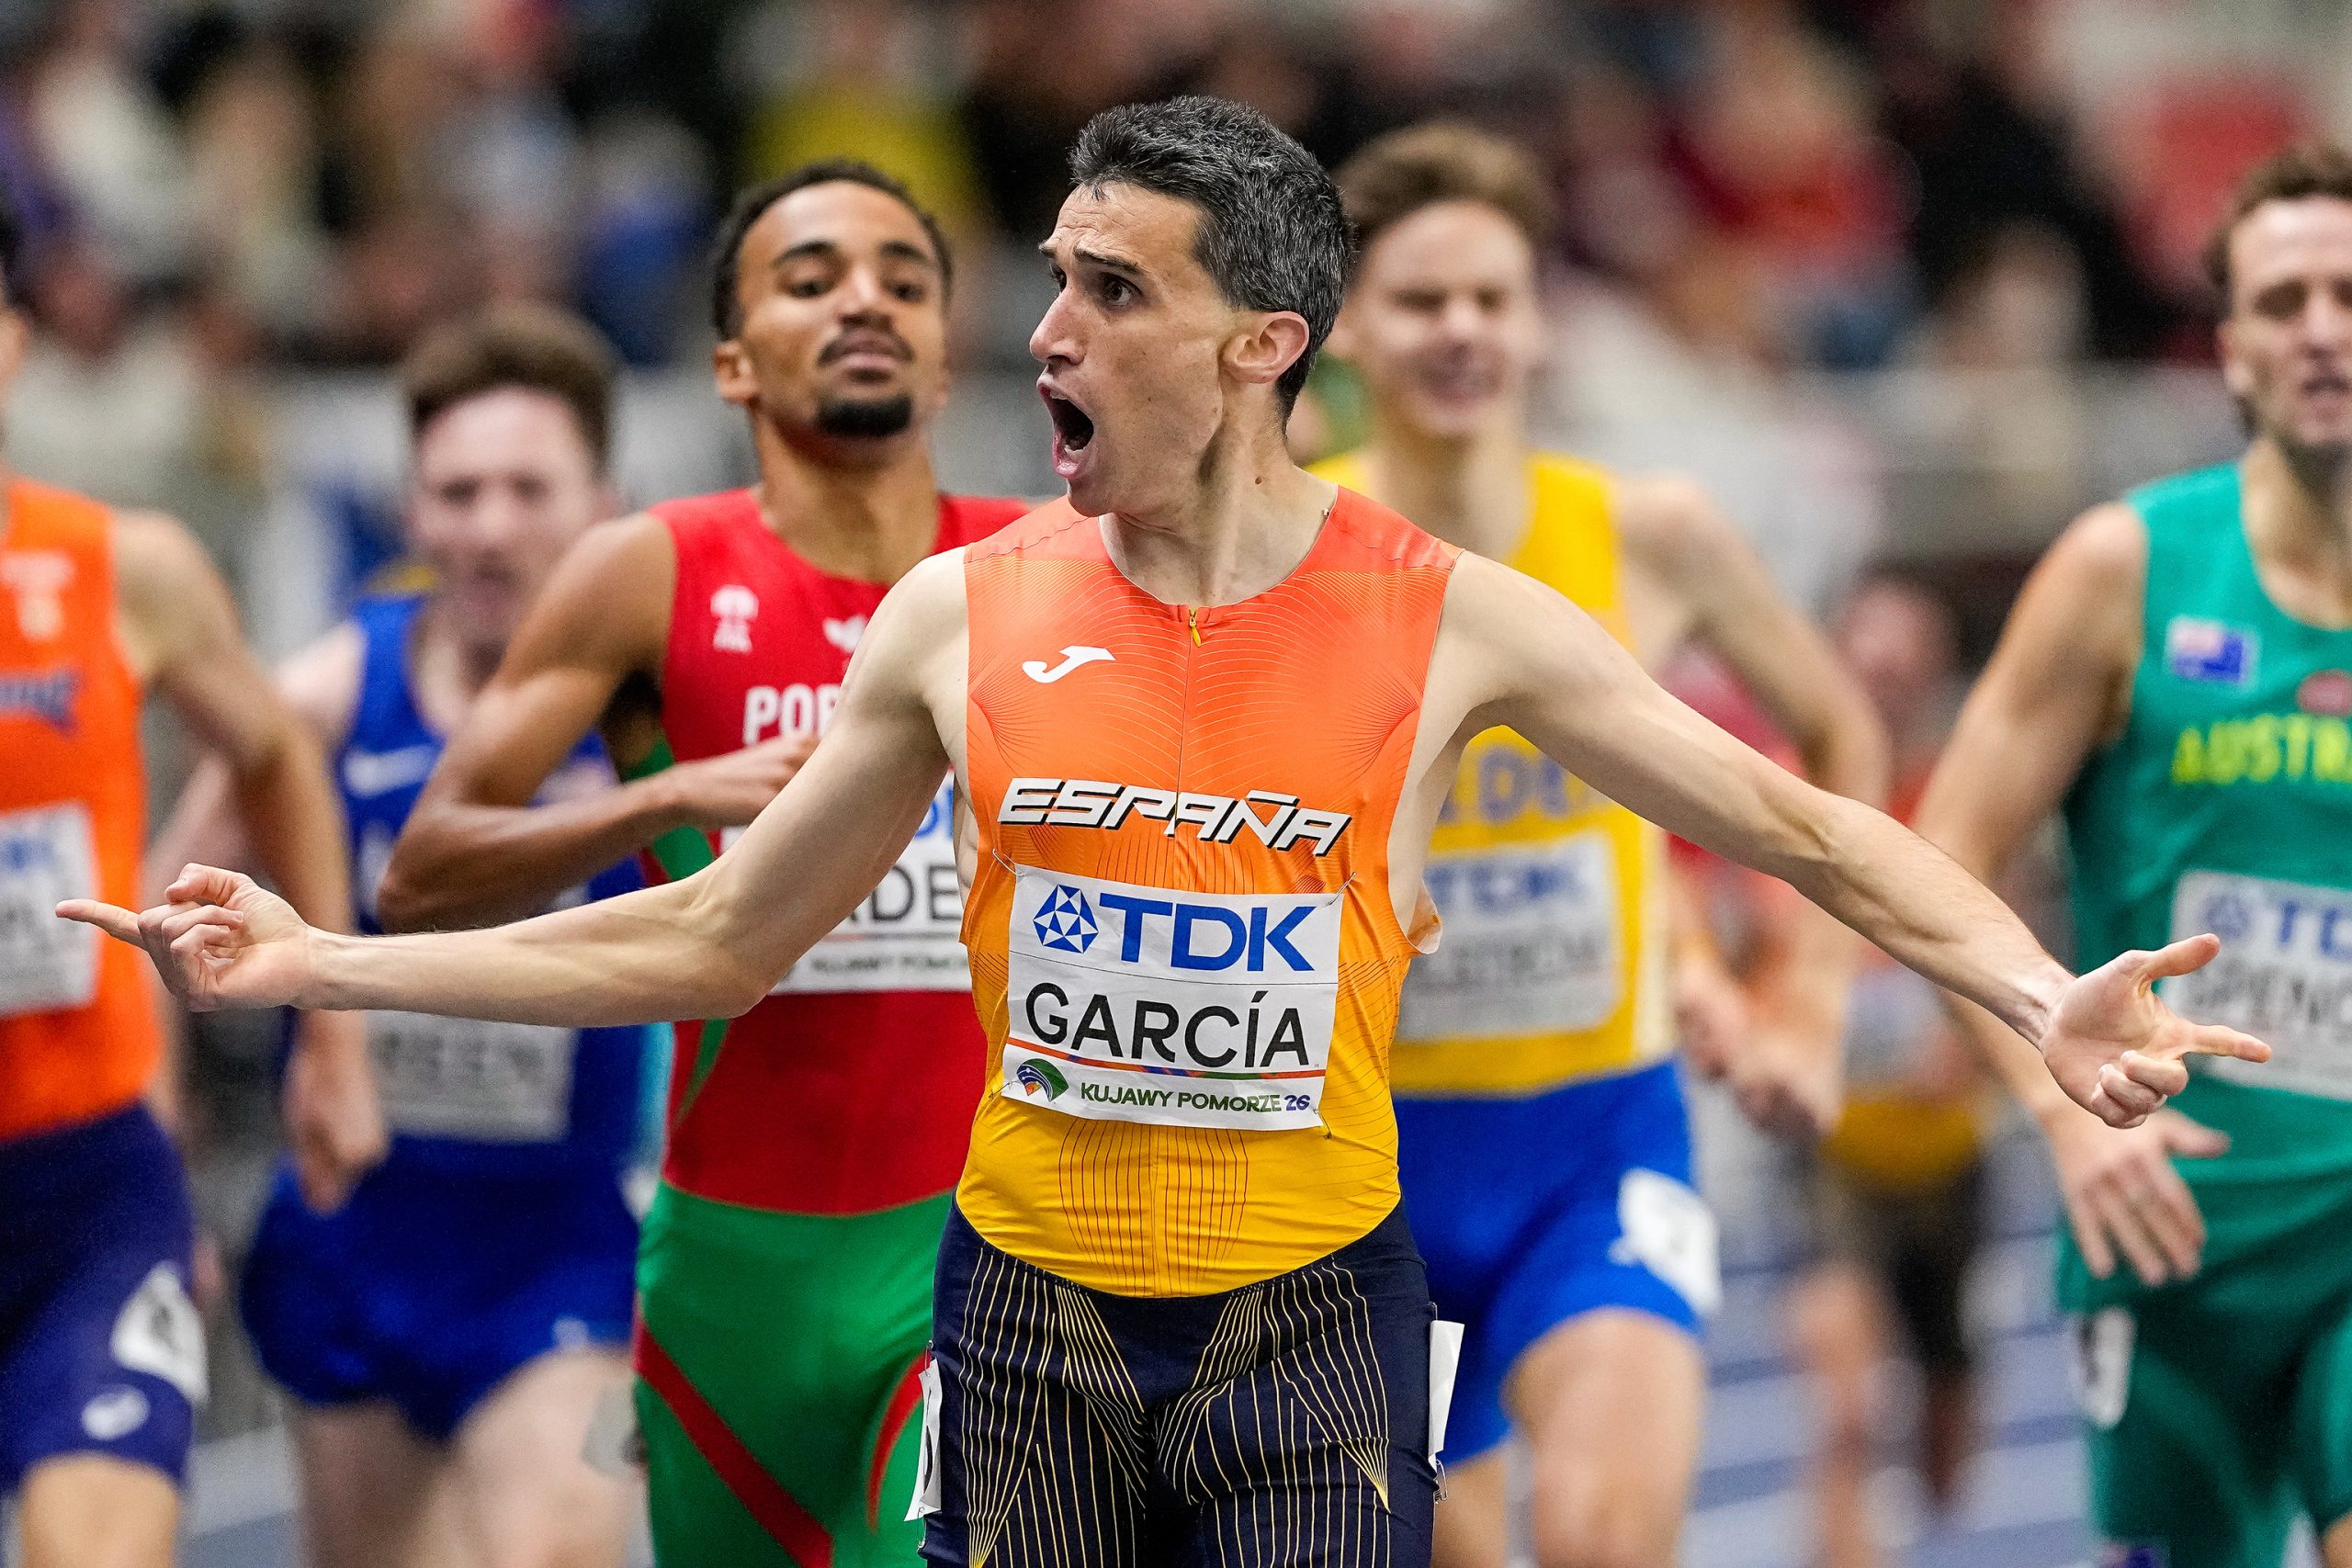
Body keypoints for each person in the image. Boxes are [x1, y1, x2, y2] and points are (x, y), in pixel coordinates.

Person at [71, 96, 2268, 1568]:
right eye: (1047, 278)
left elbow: (1804, 820)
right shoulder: (964, 607)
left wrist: (2015, 975)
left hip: (1308, 1319)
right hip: (1019, 1318)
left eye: (1105, 291)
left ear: (1255, 346)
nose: (1040, 330)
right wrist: (314, 957)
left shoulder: (1450, 620)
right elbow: (714, 936)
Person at [371, 162, 1028, 1567]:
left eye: (904, 281)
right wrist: (664, 788)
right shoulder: (646, 571)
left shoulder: (1039, 572)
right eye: (812, 279)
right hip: (724, 1273)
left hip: (975, 1242)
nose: (865, 299)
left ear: (945, 347)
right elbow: (424, 867)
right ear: (732, 360)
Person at [1306, 122, 1887, 1568]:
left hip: (1597, 1139)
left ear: (1541, 320)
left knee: (1604, 1536)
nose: (1461, 330)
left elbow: (1839, 730)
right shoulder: (1295, 544)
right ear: (1346, 327)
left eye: (1493, 298)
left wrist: (1801, 996)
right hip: (1356, 1165)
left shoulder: (1650, 533)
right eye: (1421, 299)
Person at [150, 305, 652, 1568]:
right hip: (356, 1238)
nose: (489, 524)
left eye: (526, 488)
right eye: (457, 490)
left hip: (561, 1250)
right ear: (412, 512)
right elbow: (160, 917)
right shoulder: (328, 695)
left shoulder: (655, 715)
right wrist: (151, 1174)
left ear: (603, 501)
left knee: (558, 1548)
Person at [1912, 141, 2352, 1568]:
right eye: (2285, 300)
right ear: (2229, 349)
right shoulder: (2125, 569)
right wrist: (2056, 1117)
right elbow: (1943, 861)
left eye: (2351, 293)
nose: (2325, 330)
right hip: (2173, 1219)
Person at [0, 193, 382, 1567]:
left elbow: (281, 754)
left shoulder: (124, 569)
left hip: (84, 1193)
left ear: (13, 345)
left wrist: (330, 1033)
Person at [1784, 574, 1991, 1568]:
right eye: (1864, 670)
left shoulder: (1966, 797)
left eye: (1902, 673)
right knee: (1849, 1406)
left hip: (1946, 1158)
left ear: (1934, 679)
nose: (1882, 690)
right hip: (1826, 1150)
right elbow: (1744, 946)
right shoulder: (1777, 790)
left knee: (1947, 1412)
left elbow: (2020, 943)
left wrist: (1967, 1038)